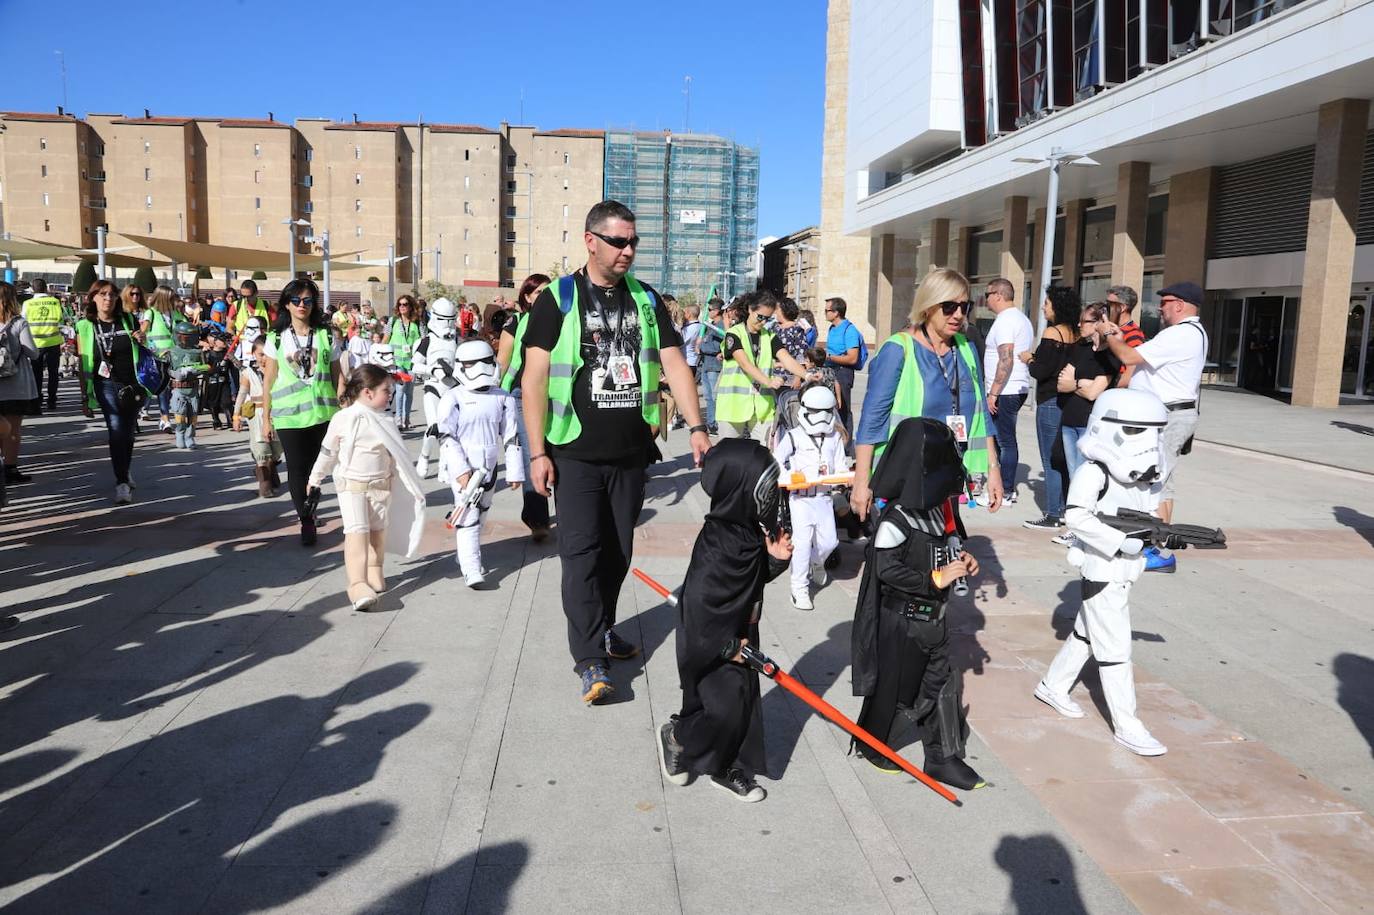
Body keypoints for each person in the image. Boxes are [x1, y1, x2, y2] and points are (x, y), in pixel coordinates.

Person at [521, 199, 710, 704]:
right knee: (581, 554)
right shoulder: (557, 298)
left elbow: (674, 362)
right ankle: (590, 660)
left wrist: (697, 425)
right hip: (574, 450)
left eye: (633, 242)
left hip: (630, 451)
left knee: (618, 553)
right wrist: (537, 453)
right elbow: (534, 378)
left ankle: (602, 626)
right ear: (591, 241)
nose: (628, 250)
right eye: (619, 241)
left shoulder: (646, 300)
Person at [1034, 388, 1171, 756]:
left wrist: (1156, 538)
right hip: (1101, 568)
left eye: (1154, 432)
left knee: (1086, 634)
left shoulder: (1144, 479)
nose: (1148, 442)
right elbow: (1076, 517)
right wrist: (1118, 541)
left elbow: (1151, 517)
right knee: (1115, 649)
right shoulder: (1094, 473)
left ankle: (1053, 685)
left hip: (1126, 569)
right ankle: (1128, 725)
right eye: (1136, 431)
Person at [851, 418, 986, 788]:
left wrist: (962, 561)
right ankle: (872, 743)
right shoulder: (896, 519)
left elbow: (948, 544)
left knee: (943, 686)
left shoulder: (938, 511)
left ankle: (942, 757)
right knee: (894, 691)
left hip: (934, 619)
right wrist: (932, 579)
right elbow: (884, 570)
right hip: (901, 623)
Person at [657, 438, 793, 802]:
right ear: (740, 491)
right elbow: (700, 607)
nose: (771, 497)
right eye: (764, 489)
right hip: (713, 643)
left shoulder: (744, 531)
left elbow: (750, 579)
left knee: (738, 705)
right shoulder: (720, 547)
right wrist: (730, 647)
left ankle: (722, 763)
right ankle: (677, 737)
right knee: (724, 710)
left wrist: (775, 559)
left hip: (739, 635)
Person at [850, 268, 1004, 522]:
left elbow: (981, 414)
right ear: (928, 306)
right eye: (948, 306)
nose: (957, 315)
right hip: (904, 479)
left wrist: (993, 468)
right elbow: (871, 420)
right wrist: (861, 482)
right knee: (907, 554)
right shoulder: (898, 349)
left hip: (950, 474)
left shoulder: (965, 349)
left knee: (944, 554)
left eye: (964, 307)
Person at [1101, 281, 1208, 573]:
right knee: (1162, 485)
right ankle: (1157, 546)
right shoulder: (1189, 333)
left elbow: (1128, 357)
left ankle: (1154, 549)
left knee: (1153, 482)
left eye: (1165, 302)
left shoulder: (1181, 333)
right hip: (1174, 415)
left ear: (1180, 305)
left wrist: (1111, 334)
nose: (1159, 308)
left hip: (1170, 417)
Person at [307, 364, 426, 611]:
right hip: (352, 487)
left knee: (377, 534)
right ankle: (357, 584)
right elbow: (328, 453)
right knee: (357, 534)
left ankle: (374, 572)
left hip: (381, 487)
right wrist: (315, 478)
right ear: (368, 392)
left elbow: (397, 456)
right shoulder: (343, 418)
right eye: (386, 390)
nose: (390, 394)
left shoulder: (385, 419)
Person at [261, 278, 344, 546]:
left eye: (307, 301)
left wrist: (345, 409)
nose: (301, 305)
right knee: (297, 470)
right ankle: (306, 520)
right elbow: (269, 378)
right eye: (296, 300)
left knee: (315, 471)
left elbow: (336, 374)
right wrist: (265, 418)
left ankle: (311, 508)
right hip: (289, 416)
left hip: (322, 413)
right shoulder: (276, 337)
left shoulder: (326, 334)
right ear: (286, 303)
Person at [438, 338, 524, 588]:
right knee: (468, 516)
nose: (480, 368)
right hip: (465, 466)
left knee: (483, 511)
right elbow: (447, 436)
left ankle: (464, 554)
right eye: (471, 363)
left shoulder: (502, 397)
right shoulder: (454, 397)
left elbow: (510, 435)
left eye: (485, 362)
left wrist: (515, 471)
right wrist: (460, 469)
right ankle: (471, 567)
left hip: (490, 466)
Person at [774, 384, 847, 610]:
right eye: (817, 411)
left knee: (829, 542)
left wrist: (844, 477)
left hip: (824, 498)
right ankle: (799, 588)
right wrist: (789, 476)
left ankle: (817, 561)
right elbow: (775, 461)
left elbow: (841, 466)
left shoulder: (834, 437)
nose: (822, 417)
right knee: (802, 543)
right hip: (801, 499)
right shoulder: (794, 436)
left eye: (827, 411)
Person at [76, 280, 148, 504]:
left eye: (112, 295)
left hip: (132, 384)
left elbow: (142, 348)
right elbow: (82, 363)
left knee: (127, 432)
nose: (108, 298)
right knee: (116, 429)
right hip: (105, 384)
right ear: (93, 297)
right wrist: (84, 397)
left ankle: (124, 470)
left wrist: (141, 339)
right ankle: (122, 483)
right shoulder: (85, 325)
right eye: (103, 294)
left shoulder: (127, 319)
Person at [1020, 286, 1081, 533]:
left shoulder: (1052, 333)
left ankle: (1053, 513)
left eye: (1046, 303)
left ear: (1056, 305)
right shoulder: (1076, 334)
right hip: (1069, 402)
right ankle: (1068, 508)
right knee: (1066, 458)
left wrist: (1028, 359)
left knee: (1050, 459)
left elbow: (1040, 371)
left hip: (1049, 402)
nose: (1044, 307)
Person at [497, 273, 553, 541]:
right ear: (527, 297)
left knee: (559, 452)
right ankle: (537, 519)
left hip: (557, 395)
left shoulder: (563, 321)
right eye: (538, 292)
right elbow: (503, 362)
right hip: (522, 396)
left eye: (548, 291)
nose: (544, 296)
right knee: (534, 452)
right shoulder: (516, 322)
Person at [716, 290, 809, 441]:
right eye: (760, 317)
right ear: (749, 310)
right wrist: (769, 381)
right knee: (729, 454)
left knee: (766, 452)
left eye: (768, 318)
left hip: (762, 407)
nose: (763, 322)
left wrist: (807, 375)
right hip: (733, 406)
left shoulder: (770, 337)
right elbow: (745, 364)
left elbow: (787, 359)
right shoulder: (733, 334)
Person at [982, 277, 1034, 504]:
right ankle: (1002, 488)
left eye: (987, 295)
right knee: (1002, 439)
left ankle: (1005, 490)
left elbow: (1006, 358)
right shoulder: (1020, 318)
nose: (986, 300)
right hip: (1012, 388)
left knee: (1004, 441)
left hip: (1006, 390)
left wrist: (993, 392)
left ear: (998, 295)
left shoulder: (1006, 320)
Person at [1057, 303, 1120, 477]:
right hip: (1069, 420)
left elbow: (1094, 394)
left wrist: (1074, 384)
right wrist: (1082, 383)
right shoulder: (1080, 349)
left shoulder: (1110, 356)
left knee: (1083, 476)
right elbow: (1062, 383)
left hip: (1090, 425)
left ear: (1099, 323)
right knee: (1072, 474)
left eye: (1083, 321)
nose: (1079, 325)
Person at [412, 297, 460, 477]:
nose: (447, 324)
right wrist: (433, 370)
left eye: (450, 320)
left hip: (451, 389)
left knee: (448, 430)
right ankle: (424, 456)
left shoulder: (457, 340)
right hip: (432, 387)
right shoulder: (427, 341)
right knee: (434, 427)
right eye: (443, 319)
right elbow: (415, 366)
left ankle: (444, 466)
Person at [232, 334, 283, 497]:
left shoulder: (278, 369)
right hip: (257, 415)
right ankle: (265, 484)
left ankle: (271, 470)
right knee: (261, 449)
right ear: (253, 353)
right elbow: (242, 393)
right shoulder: (248, 372)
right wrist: (236, 415)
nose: (264, 358)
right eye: (261, 354)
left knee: (276, 449)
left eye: (267, 354)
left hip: (276, 413)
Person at [0, 282, 40, 485]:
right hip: (16, 386)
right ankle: (10, 468)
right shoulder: (18, 323)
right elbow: (33, 352)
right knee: (13, 430)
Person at [823, 297, 864, 437]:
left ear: (836, 313)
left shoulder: (850, 330)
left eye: (827, 310)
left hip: (843, 372)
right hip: (830, 370)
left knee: (843, 408)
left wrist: (829, 357)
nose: (825, 313)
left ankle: (846, 444)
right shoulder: (832, 328)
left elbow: (853, 358)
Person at [22, 278, 64, 413]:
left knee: (36, 373)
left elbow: (23, 322)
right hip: (53, 341)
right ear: (46, 288)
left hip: (36, 343)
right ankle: (52, 400)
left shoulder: (27, 304)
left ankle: (37, 400)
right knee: (53, 372)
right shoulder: (55, 302)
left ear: (33, 289)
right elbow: (60, 320)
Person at [167, 321, 210, 450]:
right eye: (183, 336)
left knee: (193, 416)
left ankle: (190, 437)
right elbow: (166, 369)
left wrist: (195, 369)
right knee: (180, 415)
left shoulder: (198, 352)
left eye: (189, 337)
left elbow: (207, 366)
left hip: (193, 388)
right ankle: (179, 434)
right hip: (178, 388)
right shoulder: (172, 352)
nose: (185, 340)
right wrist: (176, 373)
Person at [384, 295, 423, 431]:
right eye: (400, 304)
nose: (402, 307)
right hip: (397, 360)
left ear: (410, 306)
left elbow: (424, 340)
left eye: (405, 304)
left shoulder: (417, 322)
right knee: (400, 389)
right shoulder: (393, 320)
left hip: (412, 361)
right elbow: (386, 338)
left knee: (409, 391)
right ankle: (399, 419)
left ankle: (407, 418)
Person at [1105, 285, 1146, 387]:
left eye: (1109, 304)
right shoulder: (1109, 327)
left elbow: (1130, 373)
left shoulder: (1134, 334)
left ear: (1122, 307)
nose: (1105, 308)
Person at [696, 299, 725, 434]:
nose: (708, 312)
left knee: (714, 396)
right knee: (708, 397)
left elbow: (716, 347)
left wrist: (700, 346)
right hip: (706, 365)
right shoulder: (709, 326)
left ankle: (715, 424)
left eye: (710, 310)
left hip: (714, 366)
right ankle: (711, 423)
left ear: (717, 310)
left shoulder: (721, 326)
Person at [771, 297, 810, 385]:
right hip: (773, 374)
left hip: (789, 375)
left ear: (784, 310)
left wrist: (798, 377)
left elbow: (801, 354)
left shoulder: (796, 329)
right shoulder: (774, 327)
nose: (774, 312)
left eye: (777, 309)